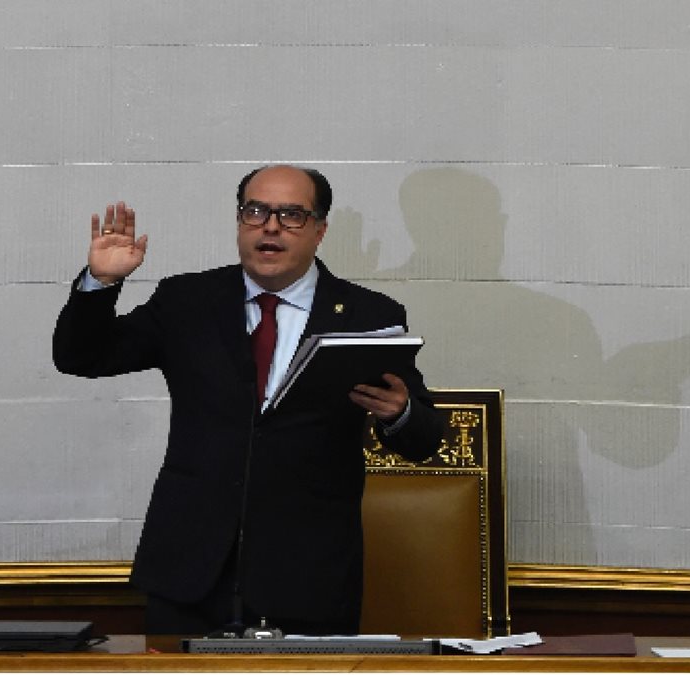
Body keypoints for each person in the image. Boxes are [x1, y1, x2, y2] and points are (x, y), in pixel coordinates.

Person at [53, 165, 443, 636]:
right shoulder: (188, 300)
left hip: (309, 576)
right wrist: (100, 285)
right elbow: (82, 357)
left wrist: (400, 413)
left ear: (320, 230)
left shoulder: (368, 315)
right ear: (240, 221)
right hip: (189, 574)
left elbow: (424, 439)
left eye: (292, 215)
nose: (270, 227)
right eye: (256, 211)